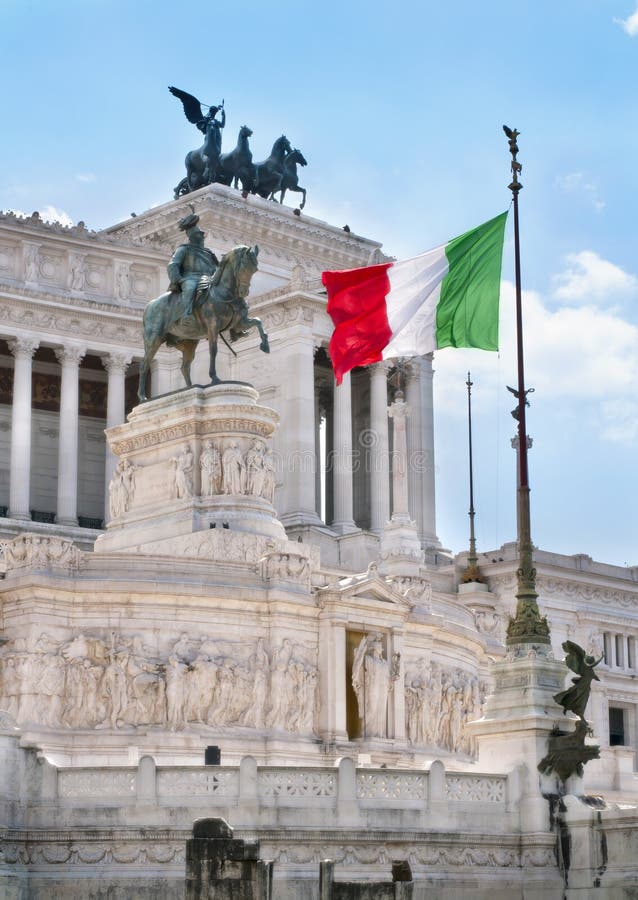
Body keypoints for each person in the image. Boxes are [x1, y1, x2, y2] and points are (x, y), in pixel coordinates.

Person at [166, 212, 219, 319]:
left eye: (202, 235)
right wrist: (178, 279)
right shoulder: (183, 249)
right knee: (190, 288)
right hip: (190, 277)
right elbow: (173, 265)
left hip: (209, 279)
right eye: (200, 235)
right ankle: (187, 314)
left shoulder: (209, 253)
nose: (202, 237)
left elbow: (217, 268)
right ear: (193, 237)